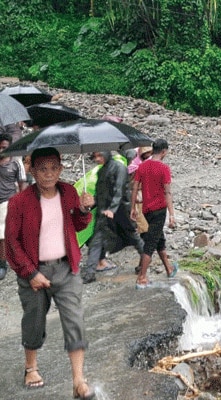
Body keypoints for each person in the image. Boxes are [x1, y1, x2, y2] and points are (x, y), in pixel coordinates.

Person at [5, 147, 96, 399]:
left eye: (53, 168)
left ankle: (78, 380)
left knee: (74, 319)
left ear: (61, 169)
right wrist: (31, 273)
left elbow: (77, 225)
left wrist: (85, 210)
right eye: (42, 169)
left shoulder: (68, 192)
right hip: (33, 270)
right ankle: (31, 367)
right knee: (34, 320)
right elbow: (12, 242)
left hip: (66, 267)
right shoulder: (19, 202)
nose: (48, 174)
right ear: (31, 170)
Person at [82, 151, 145, 284]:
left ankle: (144, 262)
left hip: (121, 211)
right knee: (96, 241)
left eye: (100, 155)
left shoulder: (119, 168)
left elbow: (119, 190)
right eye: (95, 156)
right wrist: (92, 203)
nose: (97, 159)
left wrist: (112, 209)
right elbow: (101, 193)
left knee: (133, 237)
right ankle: (90, 273)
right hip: (104, 212)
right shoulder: (101, 172)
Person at [130, 139, 178, 288]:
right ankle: (142, 277)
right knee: (150, 244)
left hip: (145, 209)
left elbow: (135, 188)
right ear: (163, 151)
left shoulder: (142, 167)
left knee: (158, 238)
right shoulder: (164, 169)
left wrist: (132, 208)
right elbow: (167, 192)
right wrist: (171, 214)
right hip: (159, 210)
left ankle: (169, 268)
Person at [0, 133, 27, 280]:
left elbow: (23, 183)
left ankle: (2, 264)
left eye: (4, 147)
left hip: (7, 202)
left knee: (2, 234)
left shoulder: (15, 163)